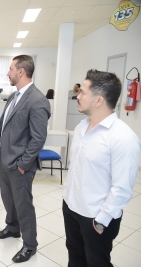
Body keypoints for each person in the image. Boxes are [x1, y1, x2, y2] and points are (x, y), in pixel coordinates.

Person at [63, 69, 140, 267]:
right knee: (75, 256)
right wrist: (67, 201)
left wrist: (101, 221)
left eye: (83, 93)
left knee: (97, 262)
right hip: (72, 208)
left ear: (98, 100)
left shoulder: (123, 138)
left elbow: (122, 188)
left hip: (96, 218)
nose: (77, 96)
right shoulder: (81, 127)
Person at [0, 55, 50, 263]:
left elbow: (38, 138)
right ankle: (12, 228)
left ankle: (30, 245)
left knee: (24, 205)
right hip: (4, 160)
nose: (8, 73)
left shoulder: (37, 99)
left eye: (10, 69)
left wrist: (24, 164)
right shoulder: (15, 96)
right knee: (9, 200)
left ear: (21, 71)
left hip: (19, 165)